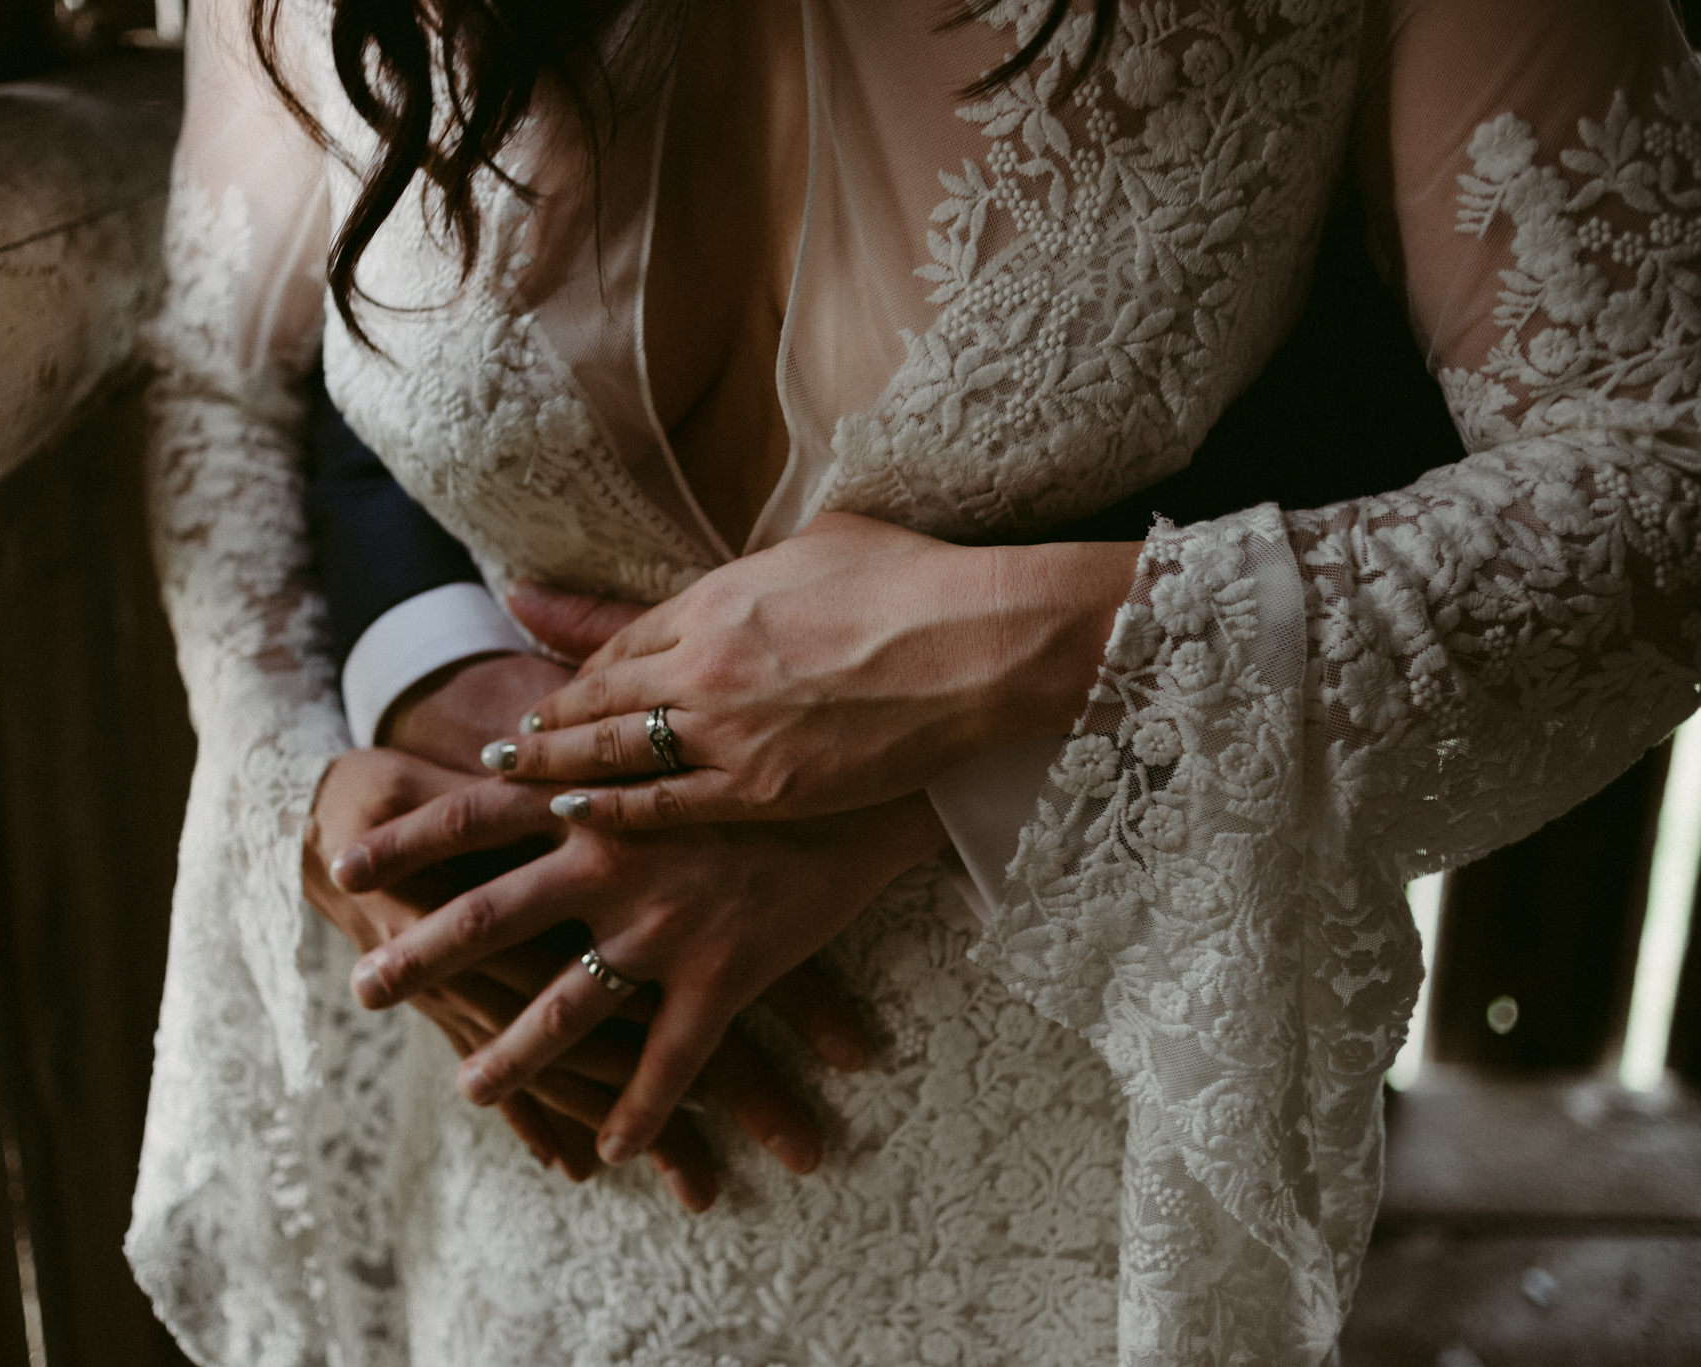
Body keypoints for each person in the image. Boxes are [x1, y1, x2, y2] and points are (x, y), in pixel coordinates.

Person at [129, 1, 1701, 1363]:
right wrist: (322, 778)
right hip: (523, 1135)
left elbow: (1662, 487)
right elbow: (222, 381)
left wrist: (991, 666)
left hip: (1062, 1193)